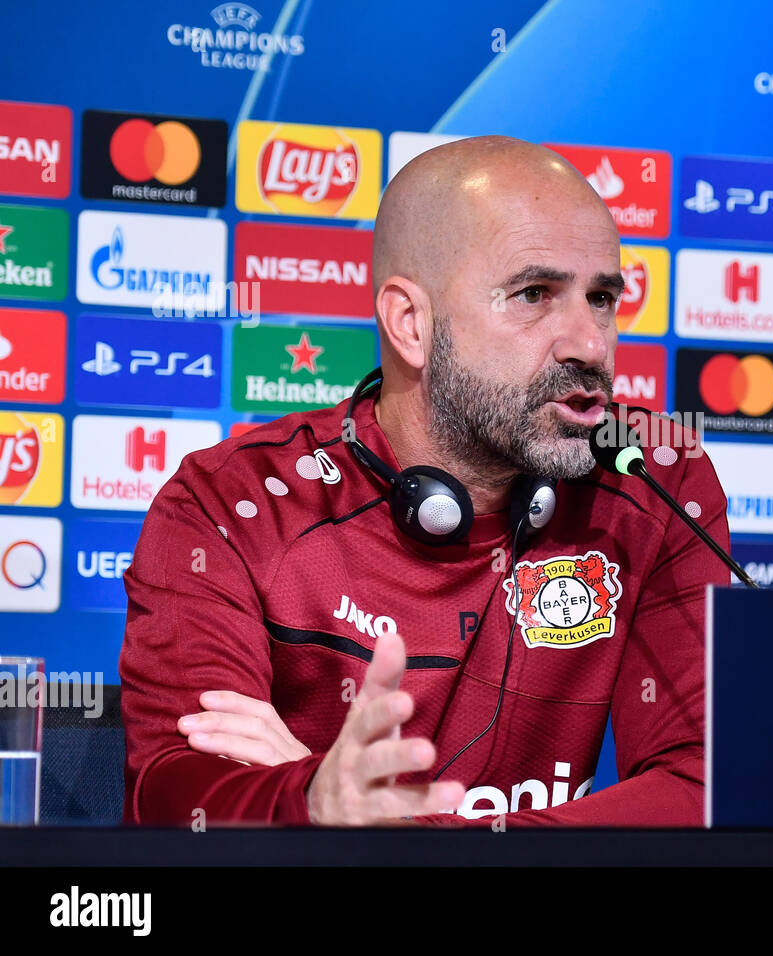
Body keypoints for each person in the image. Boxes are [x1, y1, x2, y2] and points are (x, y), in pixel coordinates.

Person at [119, 135, 731, 826]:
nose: (590, 343)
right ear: (410, 324)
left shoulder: (654, 476)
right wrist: (317, 802)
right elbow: (173, 798)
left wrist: (397, 841)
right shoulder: (233, 502)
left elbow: (707, 785)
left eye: (601, 298)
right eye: (535, 294)